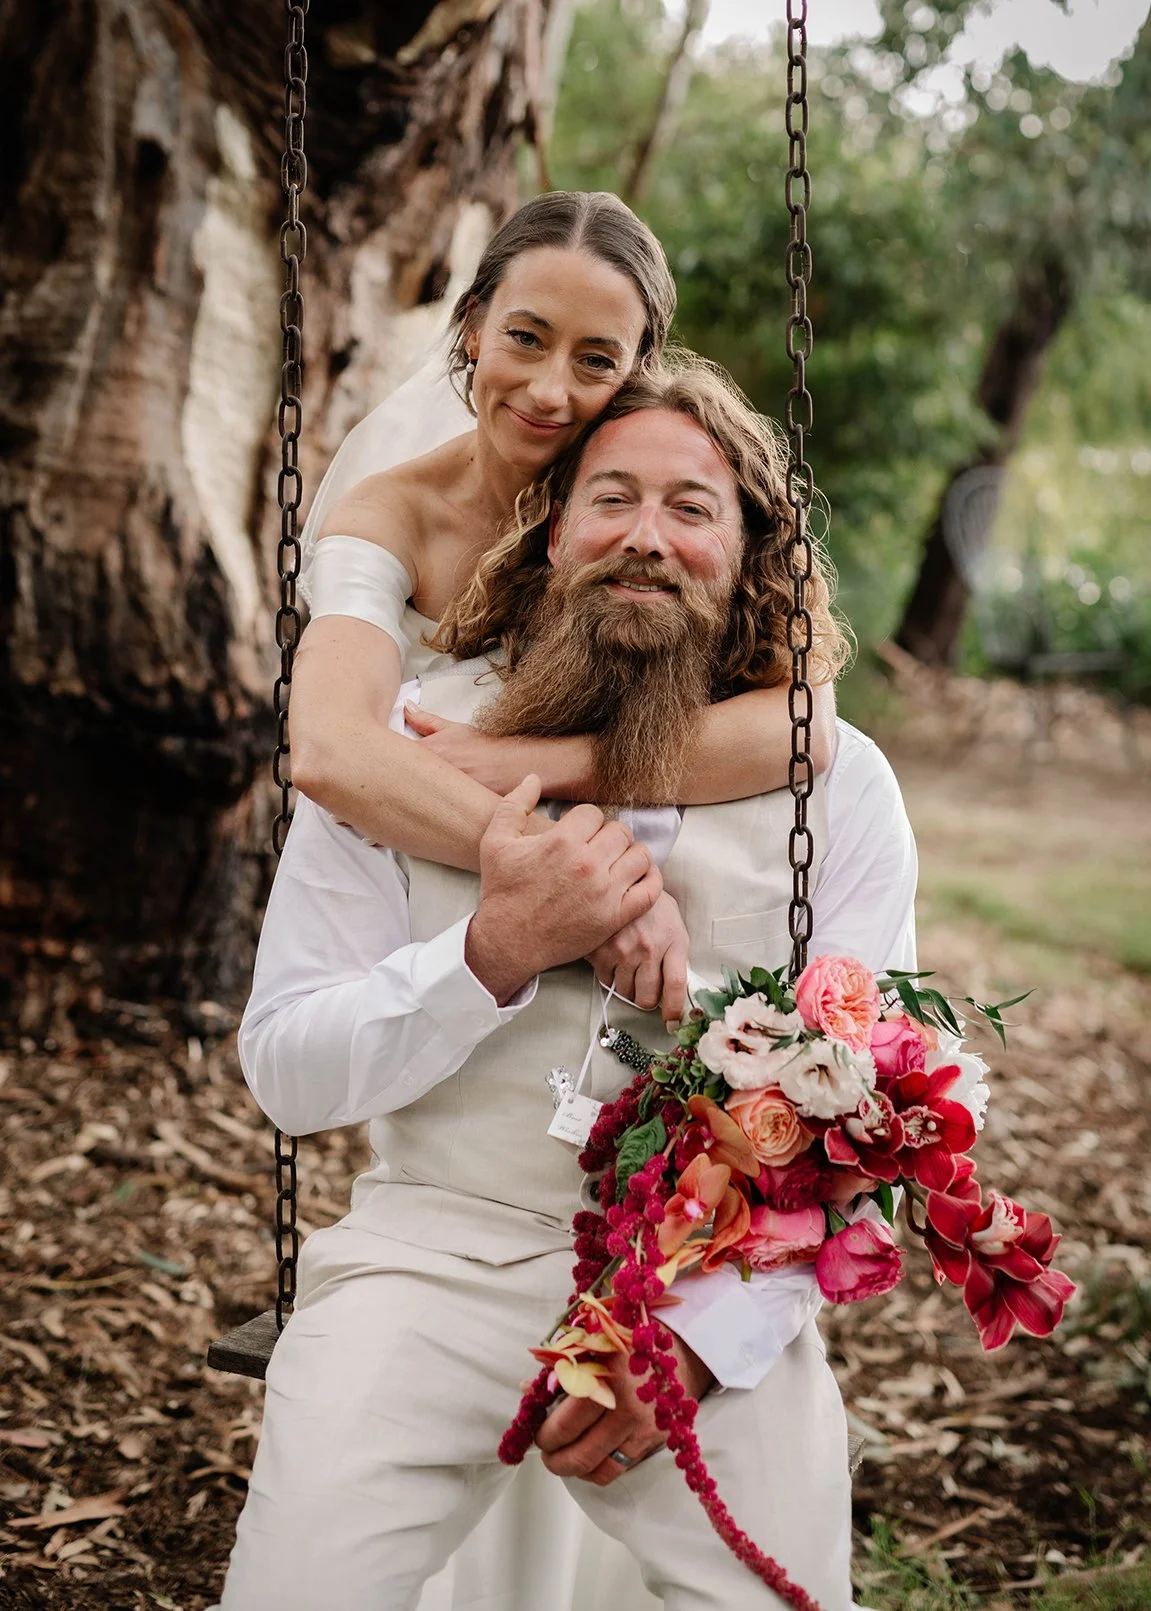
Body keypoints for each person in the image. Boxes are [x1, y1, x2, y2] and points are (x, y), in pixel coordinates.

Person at [218, 359, 917, 1611]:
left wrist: (705, 1343)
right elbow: (284, 1072)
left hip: (701, 1287)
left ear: (749, 547)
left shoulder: (839, 785)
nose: (646, 538)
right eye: (610, 499)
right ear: (549, 532)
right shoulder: (413, 745)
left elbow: (876, 1103)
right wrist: (488, 952)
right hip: (427, 1259)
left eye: (691, 508)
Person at [288, 190, 838, 1023]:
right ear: (472, 325)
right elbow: (329, 748)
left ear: (637, 365)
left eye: (593, 360)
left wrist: (538, 762)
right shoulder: (389, 517)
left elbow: (805, 725)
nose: (549, 392)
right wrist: (578, 887)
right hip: (427, 854)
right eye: (525, 338)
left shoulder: (646, 522)